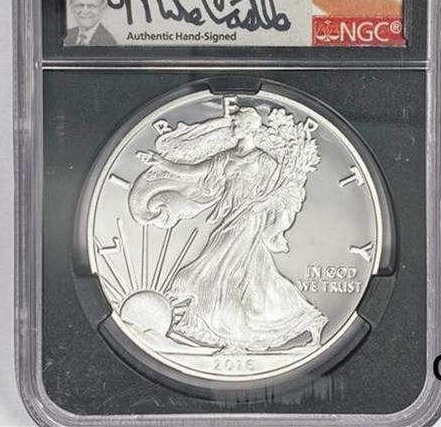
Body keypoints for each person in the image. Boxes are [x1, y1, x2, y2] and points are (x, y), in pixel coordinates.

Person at [128, 107, 327, 352]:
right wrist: (162, 162)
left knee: (218, 269)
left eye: (236, 124)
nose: (231, 127)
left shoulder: (265, 162)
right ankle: (300, 320)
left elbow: (278, 195)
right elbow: (193, 172)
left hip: (249, 221)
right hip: (230, 219)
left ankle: (233, 335)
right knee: (253, 277)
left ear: (249, 128)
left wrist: (261, 212)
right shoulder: (226, 157)